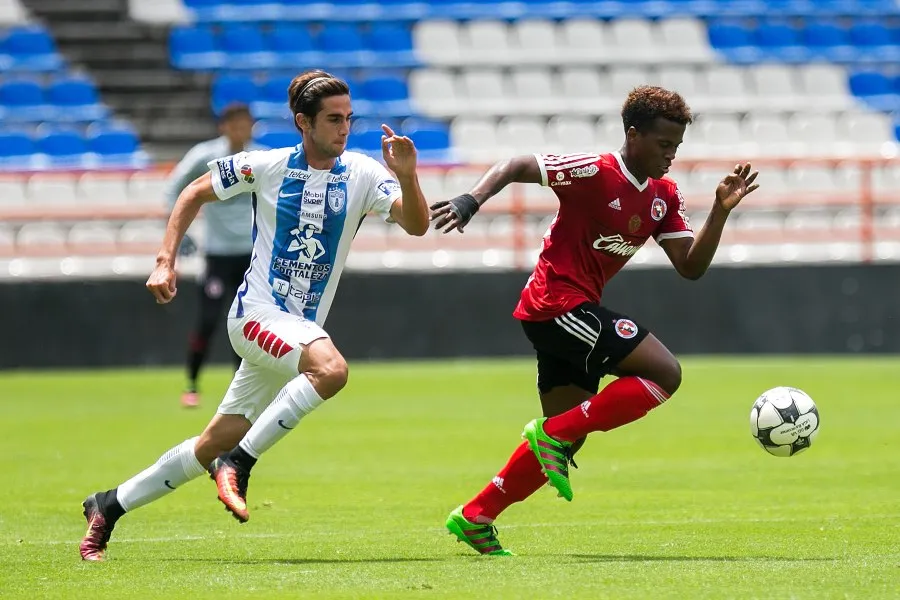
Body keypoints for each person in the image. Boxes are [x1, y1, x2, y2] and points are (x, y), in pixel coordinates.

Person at [79, 69, 430, 561]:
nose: (345, 129)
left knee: (208, 443)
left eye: (349, 118)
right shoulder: (265, 165)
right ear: (303, 122)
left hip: (297, 330)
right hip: (256, 316)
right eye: (333, 119)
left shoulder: (364, 174)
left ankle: (108, 505)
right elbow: (192, 191)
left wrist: (408, 176)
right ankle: (239, 462)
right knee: (331, 370)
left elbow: (417, 226)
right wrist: (165, 260)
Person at [431, 86, 759, 556]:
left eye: (677, 146)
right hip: (555, 305)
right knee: (665, 373)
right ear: (633, 135)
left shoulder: (663, 196)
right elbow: (518, 164)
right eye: (664, 144)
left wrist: (720, 213)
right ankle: (552, 434)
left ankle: (476, 516)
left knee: (569, 435)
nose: (671, 155)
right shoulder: (594, 171)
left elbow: (690, 266)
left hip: (568, 312)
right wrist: (472, 199)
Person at [166, 103, 258, 408]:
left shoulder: (261, 158)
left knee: (245, 325)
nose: (241, 131)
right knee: (208, 320)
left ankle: (239, 392)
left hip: (252, 257)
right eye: (236, 125)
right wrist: (181, 233)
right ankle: (191, 383)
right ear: (224, 127)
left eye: (246, 124)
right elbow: (173, 189)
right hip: (218, 255)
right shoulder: (206, 157)